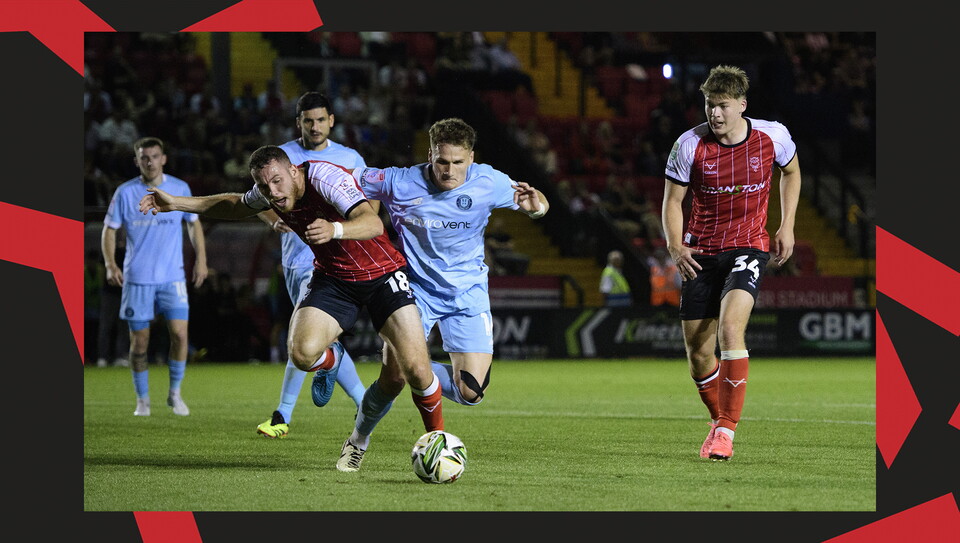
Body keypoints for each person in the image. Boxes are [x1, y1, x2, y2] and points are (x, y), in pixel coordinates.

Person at [138, 145, 445, 472]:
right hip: (334, 279)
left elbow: (372, 224)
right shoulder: (270, 193)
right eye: (264, 185)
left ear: (294, 172)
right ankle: (333, 360)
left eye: (277, 181)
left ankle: (433, 443)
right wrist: (176, 203)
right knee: (301, 353)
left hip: (382, 274)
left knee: (413, 372)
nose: (272, 192)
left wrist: (335, 229)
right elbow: (235, 205)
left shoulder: (324, 177)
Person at [353, 117, 549, 420]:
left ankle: (411, 364)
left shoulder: (488, 181)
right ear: (430, 154)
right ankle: (358, 437)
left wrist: (536, 209)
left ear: (471, 158)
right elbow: (340, 180)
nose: (449, 170)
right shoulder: (399, 181)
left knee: (471, 391)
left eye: (458, 162)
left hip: (467, 293)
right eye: (442, 161)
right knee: (394, 380)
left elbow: (540, 203)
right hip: (414, 291)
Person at [661, 65, 801, 461]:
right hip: (701, 253)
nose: (715, 113)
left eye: (722, 105)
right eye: (709, 104)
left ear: (742, 105)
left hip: (748, 247)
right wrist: (675, 247)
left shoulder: (772, 136)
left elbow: (791, 172)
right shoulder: (688, 145)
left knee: (730, 329)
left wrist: (786, 225)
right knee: (698, 355)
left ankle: (725, 431)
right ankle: (718, 420)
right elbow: (672, 201)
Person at [253, 91, 369, 439]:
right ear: (298, 122)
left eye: (320, 120)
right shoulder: (281, 157)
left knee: (301, 337)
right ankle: (366, 402)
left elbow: (367, 205)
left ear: (331, 120)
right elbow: (256, 201)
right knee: (316, 341)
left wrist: (345, 234)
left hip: (330, 261)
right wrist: (275, 220)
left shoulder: (349, 158)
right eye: (308, 121)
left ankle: (282, 414)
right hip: (293, 259)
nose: (314, 126)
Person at [101, 136, 209, 417]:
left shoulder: (179, 188)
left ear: (164, 159)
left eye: (154, 156)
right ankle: (142, 399)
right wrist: (110, 264)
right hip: (137, 278)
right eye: (144, 157)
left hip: (172, 277)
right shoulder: (125, 192)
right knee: (139, 342)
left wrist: (201, 259)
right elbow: (109, 230)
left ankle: (175, 393)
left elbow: (193, 223)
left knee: (180, 335)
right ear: (136, 161)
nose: (149, 162)